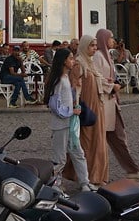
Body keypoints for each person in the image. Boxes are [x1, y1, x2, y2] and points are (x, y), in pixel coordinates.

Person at [93, 29, 139, 181]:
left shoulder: (108, 55)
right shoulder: (98, 57)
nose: (113, 40)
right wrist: (111, 87)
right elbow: (96, 79)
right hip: (103, 104)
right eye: (111, 38)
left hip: (111, 103)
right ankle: (86, 175)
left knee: (119, 137)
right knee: (95, 143)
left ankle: (133, 169)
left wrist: (114, 85)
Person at [43, 48, 93, 192]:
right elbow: (55, 104)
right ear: (64, 61)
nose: (73, 61)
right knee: (59, 157)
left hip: (70, 123)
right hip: (61, 125)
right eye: (71, 58)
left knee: (77, 152)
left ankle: (84, 182)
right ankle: (55, 184)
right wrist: (71, 111)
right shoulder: (59, 80)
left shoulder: (65, 78)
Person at [63, 35, 108, 186]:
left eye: (95, 45)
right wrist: (75, 107)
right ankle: (86, 177)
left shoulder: (91, 63)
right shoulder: (78, 63)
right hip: (86, 109)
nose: (95, 48)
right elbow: (74, 87)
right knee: (87, 143)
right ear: (84, 46)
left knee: (98, 141)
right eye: (91, 45)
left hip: (97, 106)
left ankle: (97, 176)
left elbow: (98, 82)